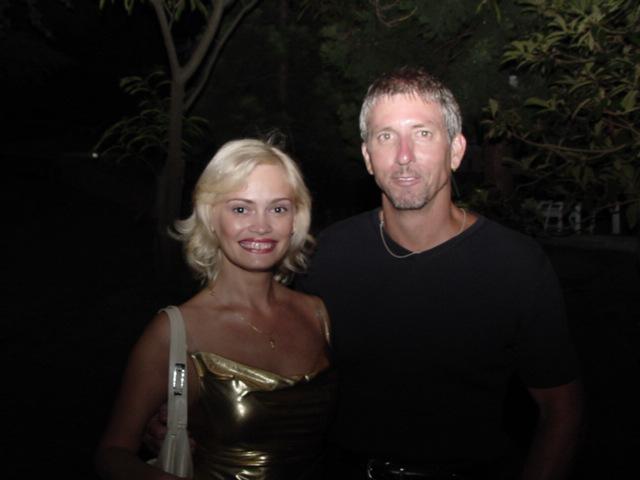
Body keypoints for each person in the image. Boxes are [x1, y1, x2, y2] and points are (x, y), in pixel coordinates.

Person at [144, 67, 584, 480]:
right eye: (386, 136)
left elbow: (561, 410)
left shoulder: (515, 263)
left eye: (423, 133)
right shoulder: (325, 257)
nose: (404, 156)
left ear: (456, 151)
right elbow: (266, 358)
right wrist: (189, 414)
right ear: (368, 157)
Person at [95, 138, 336, 480]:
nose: (261, 225)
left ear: (296, 220)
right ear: (210, 217)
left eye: (278, 209)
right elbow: (112, 454)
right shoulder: (176, 332)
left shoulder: (317, 313)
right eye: (240, 209)